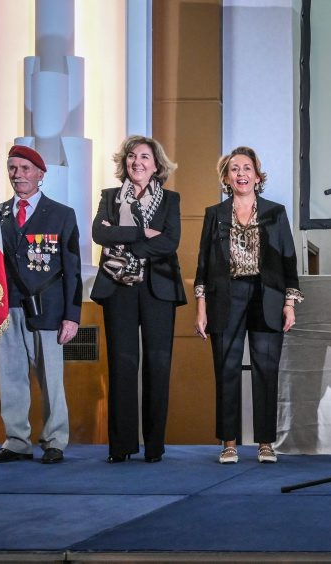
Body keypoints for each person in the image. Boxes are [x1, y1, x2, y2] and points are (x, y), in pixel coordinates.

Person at [193, 147, 302, 465]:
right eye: (234, 169)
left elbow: (289, 260)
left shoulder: (275, 212)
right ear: (226, 177)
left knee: (266, 370)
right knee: (226, 369)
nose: (241, 173)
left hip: (267, 296)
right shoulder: (215, 214)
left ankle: (265, 443)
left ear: (257, 175)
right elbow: (203, 264)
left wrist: (289, 303)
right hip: (225, 296)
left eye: (247, 168)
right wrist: (201, 306)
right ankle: (228, 443)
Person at [91, 136, 186, 463]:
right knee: (122, 364)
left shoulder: (170, 200)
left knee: (158, 365)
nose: (137, 162)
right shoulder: (109, 197)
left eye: (145, 157)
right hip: (117, 287)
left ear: (156, 165)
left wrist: (121, 241)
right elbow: (99, 234)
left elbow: (170, 242)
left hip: (159, 288)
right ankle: (121, 446)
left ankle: (154, 446)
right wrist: (143, 233)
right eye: (132, 156)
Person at [0, 145, 82, 464]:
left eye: (25, 168)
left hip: (49, 309)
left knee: (51, 380)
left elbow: (72, 269)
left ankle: (54, 440)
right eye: (12, 168)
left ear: (41, 175)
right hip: (5, 306)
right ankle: (16, 441)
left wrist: (72, 316)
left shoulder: (61, 214)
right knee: (10, 377)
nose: (18, 175)